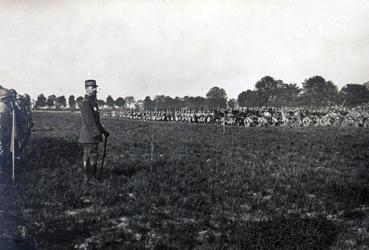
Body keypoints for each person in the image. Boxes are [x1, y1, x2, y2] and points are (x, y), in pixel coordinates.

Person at [79, 80, 110, 180]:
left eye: (95, 87)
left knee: (90, 156)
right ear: (86, 88)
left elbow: (97, 121)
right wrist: (96, 134)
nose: (95, 89)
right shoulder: (85, 103)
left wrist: (103, 131)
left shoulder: (93, 103)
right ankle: (90, 179)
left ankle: (89, 178)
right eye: (92, 87)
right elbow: (89, 121)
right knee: (91, 156)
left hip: (91, 135)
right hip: (90, 136)